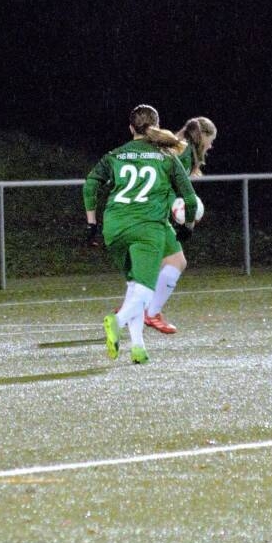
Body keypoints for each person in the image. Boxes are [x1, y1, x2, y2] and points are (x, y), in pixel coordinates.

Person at [84, 105, 200, 365]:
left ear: (130, 128)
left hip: (114, 227)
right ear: (156, 126)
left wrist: (91, 224)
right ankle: (117, 322)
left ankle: (138, 347)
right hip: (147, 229)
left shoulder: (114, 155)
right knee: (145, 291)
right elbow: (190, 199)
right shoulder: (166, 157)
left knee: (135, 286)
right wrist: (188, 226)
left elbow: (90, 184)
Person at [143, 116, 217, 335]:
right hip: (151, 214)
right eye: (211, 140)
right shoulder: (183, 154)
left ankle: (132, 308)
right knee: (177, 262)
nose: (211, 146)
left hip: (139, 211)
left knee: (156, 264)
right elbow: (169, 188)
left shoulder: (177, 146)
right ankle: (150, 313)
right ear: (202, 137)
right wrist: (183, 213)